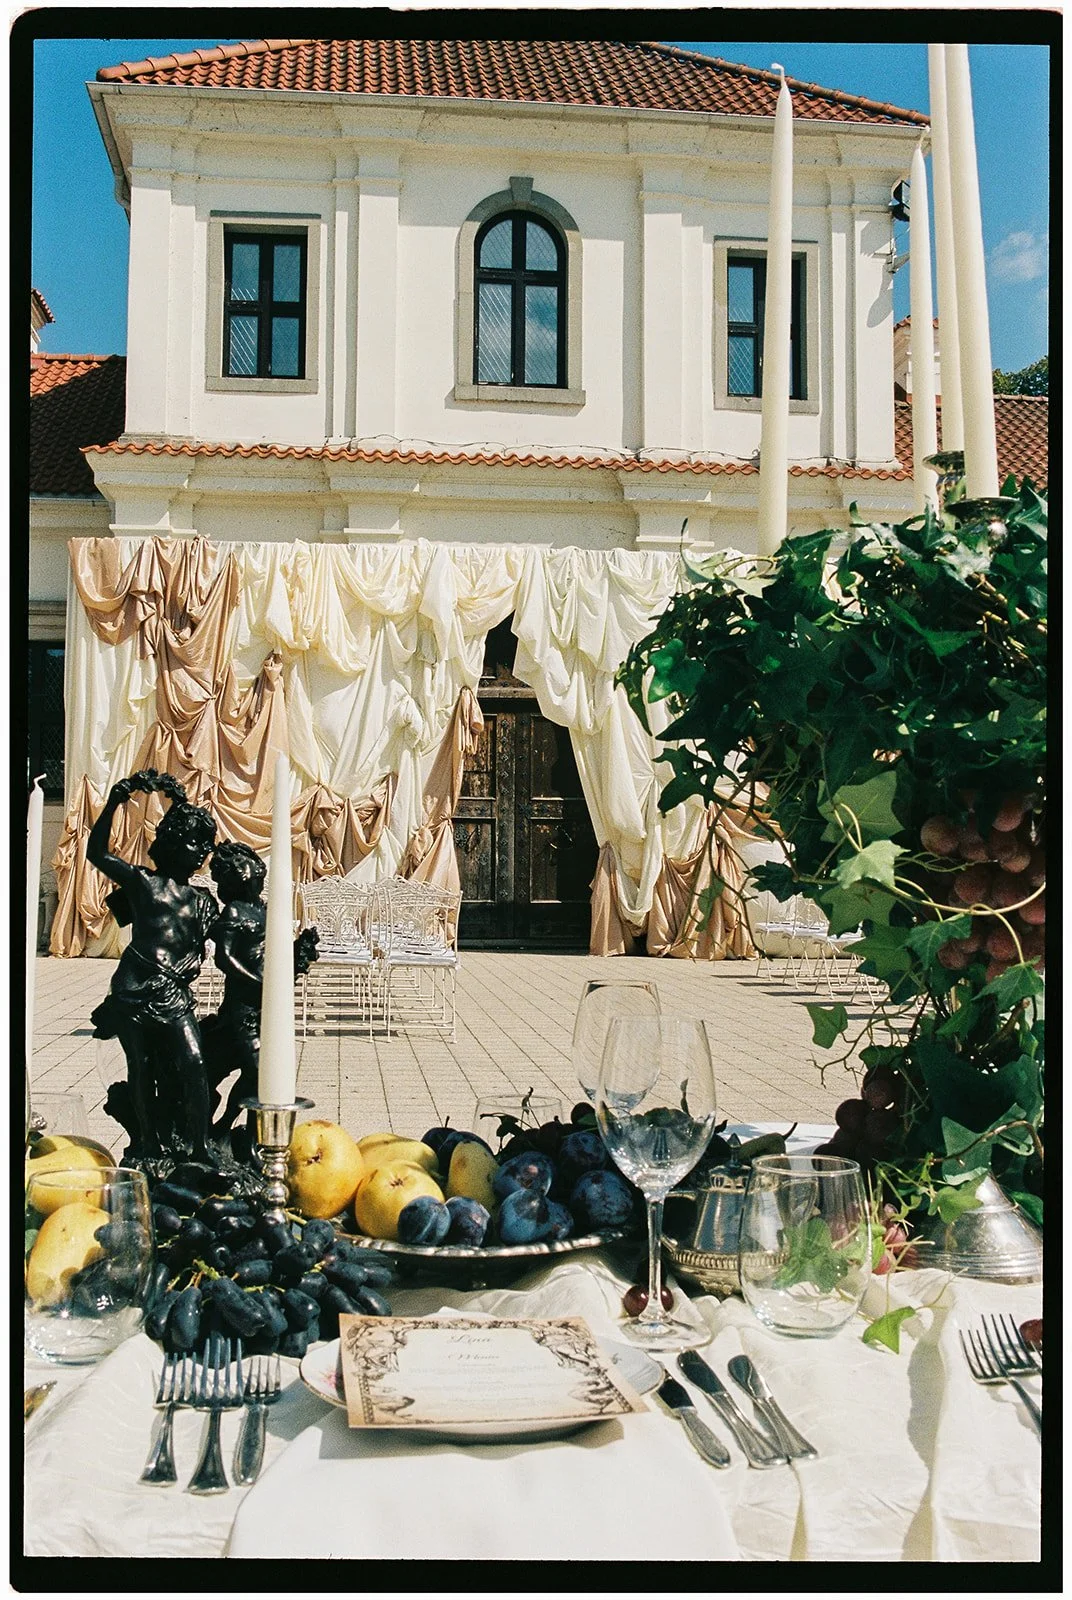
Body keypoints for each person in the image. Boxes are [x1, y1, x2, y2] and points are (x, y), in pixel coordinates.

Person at [88, 769, 218, 1164]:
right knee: (141, 1067)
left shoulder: (202, 901)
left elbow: (220, 943)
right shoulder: (143, 883)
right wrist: (115, 801)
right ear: (173, 842)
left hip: (174, 993)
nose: (202, 852)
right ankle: (149, 1143)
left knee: (194, 1061)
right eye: (195, 842)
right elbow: (97, 854)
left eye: (206, 845)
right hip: (135, 987)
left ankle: (200, 1145)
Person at [203, 841, 319, 1133]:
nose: (255, 877)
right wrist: (260, 983)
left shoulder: (266, 909)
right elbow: (224, 958)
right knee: (258, 1068)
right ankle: (225, 1125)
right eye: (247, 874)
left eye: (257, 872)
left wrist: (300, 950)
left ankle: (243, 1129)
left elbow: (273, 953)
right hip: (243, 1006)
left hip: (265, 1005)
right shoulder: (234, 911)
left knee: (262, 1070)